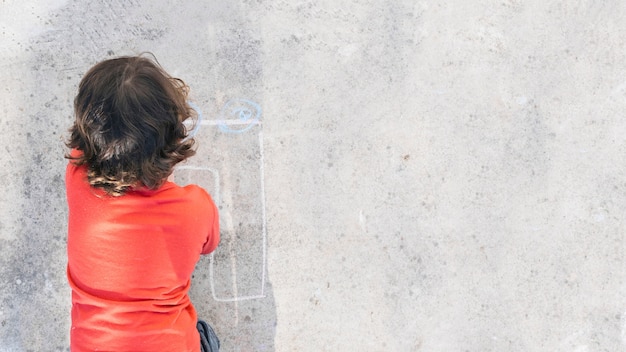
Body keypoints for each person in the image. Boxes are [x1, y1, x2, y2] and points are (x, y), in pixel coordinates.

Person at [65, 55, 220, 352]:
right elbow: (209, 244)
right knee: (201, 335)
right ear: (172, 140)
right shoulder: (194, 208)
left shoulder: (76, 174)